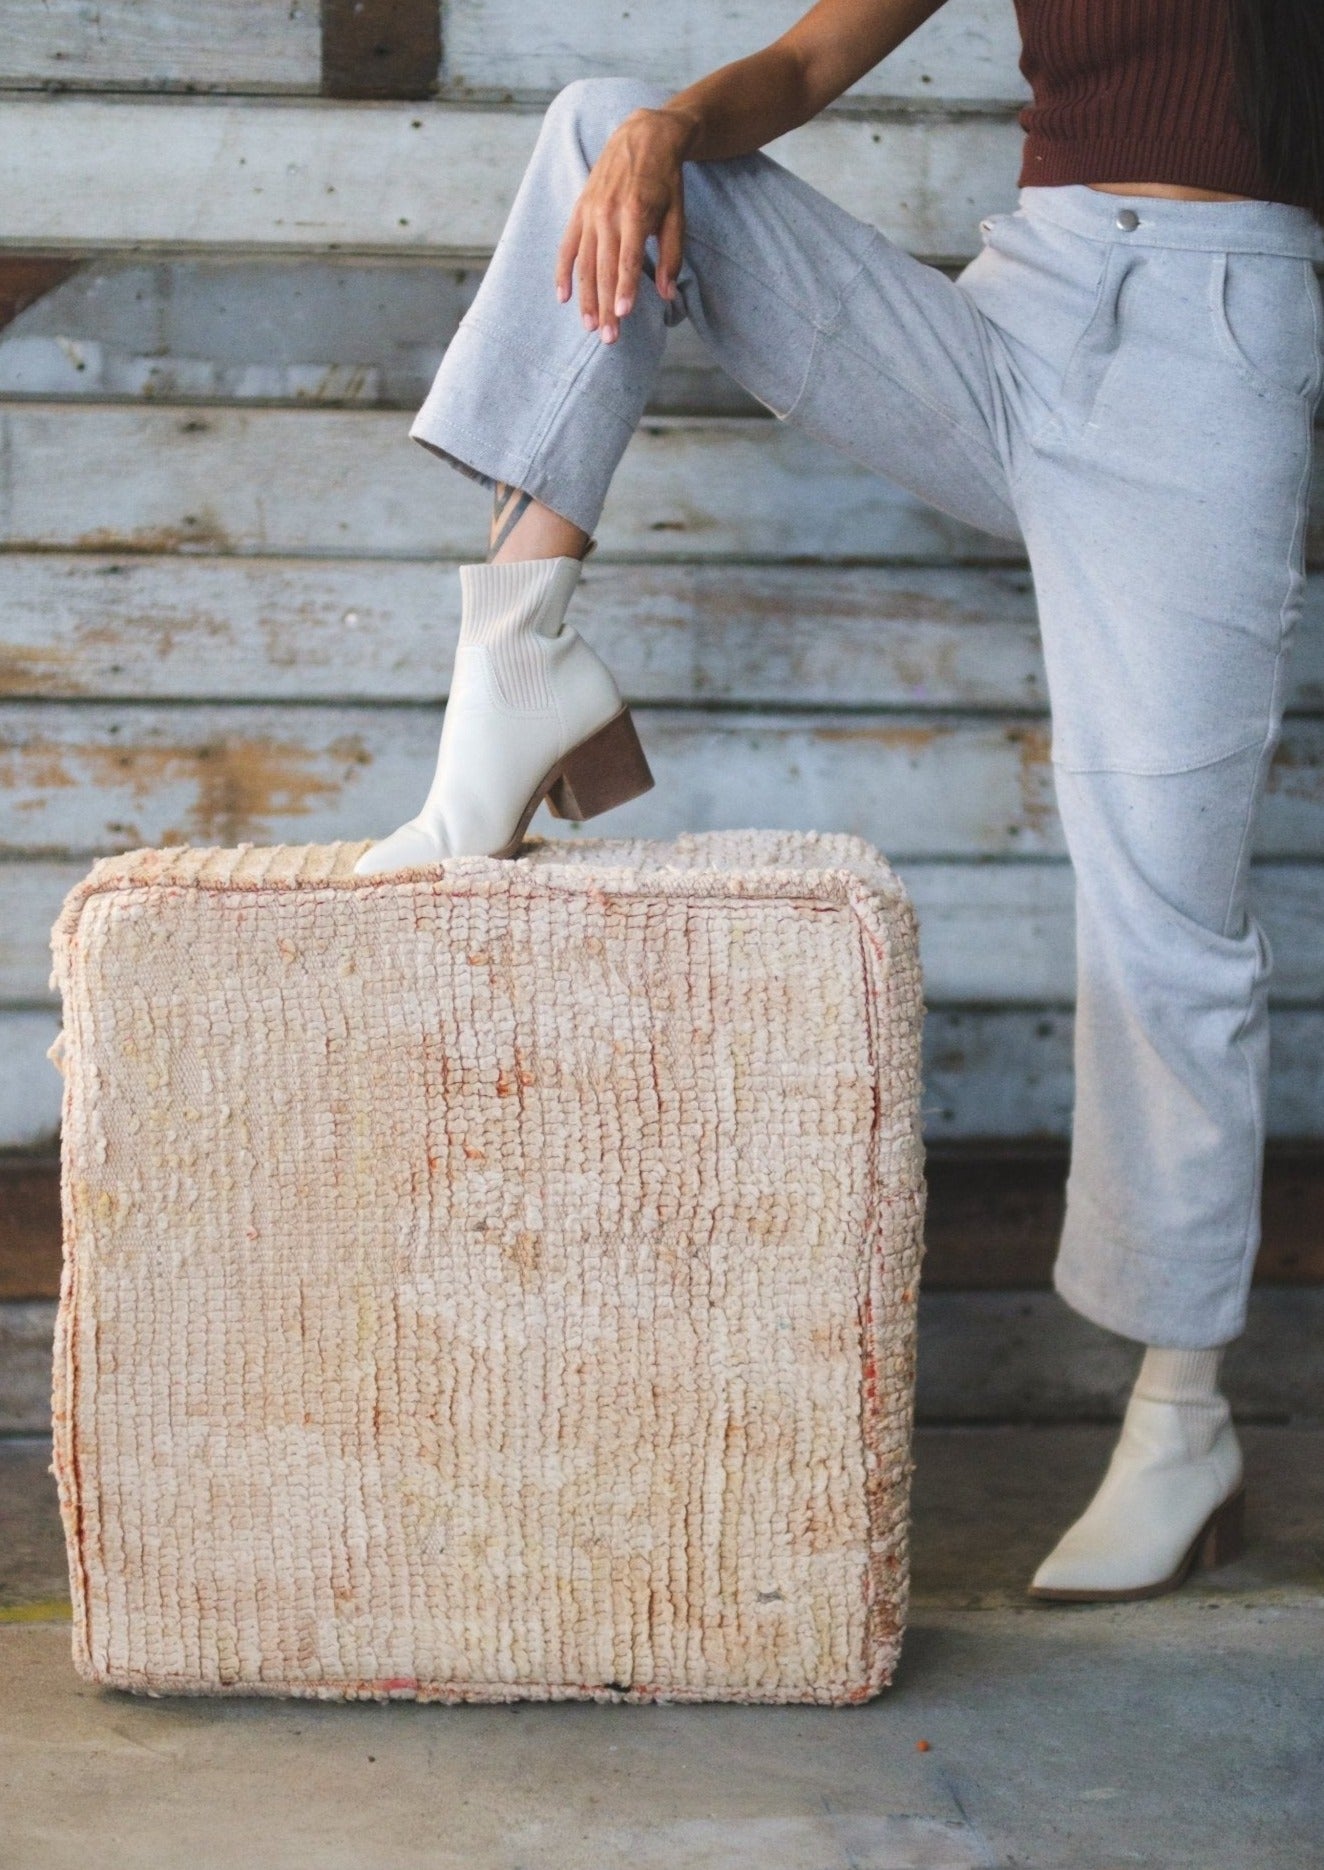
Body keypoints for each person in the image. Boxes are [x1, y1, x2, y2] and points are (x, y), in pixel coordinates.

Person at [351, 0, 1324, 1600]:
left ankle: (1182, 1421)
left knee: (1164, 904)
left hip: (1214, 363)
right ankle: (516, 659)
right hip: (1022, 321)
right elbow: (803, 71)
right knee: (613, 126)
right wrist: (676, 129)